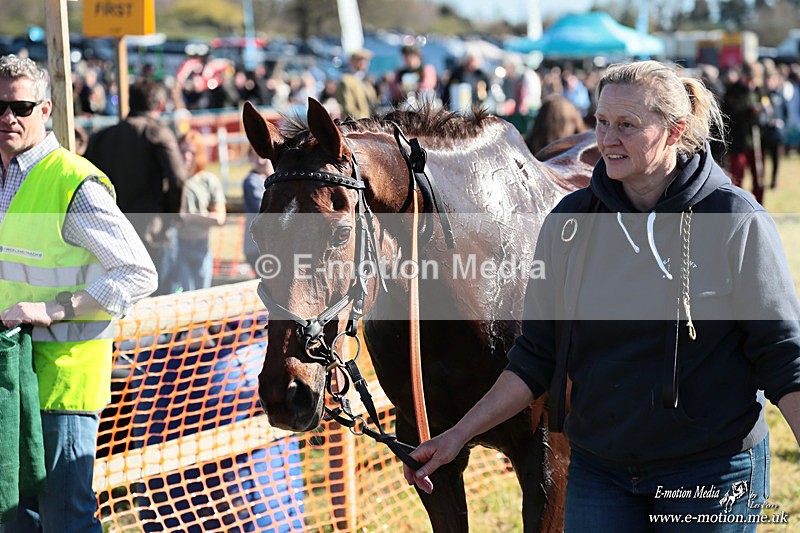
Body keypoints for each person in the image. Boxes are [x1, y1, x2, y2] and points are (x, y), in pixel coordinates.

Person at [404, 60, 800, 531]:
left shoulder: (735, 219)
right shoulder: (569, 223)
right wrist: (457, 436)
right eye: (602, 122)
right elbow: (534, 357)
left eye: (627, 125)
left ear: (675, 132)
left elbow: (783, 357)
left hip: (708, 470)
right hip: (599, 473)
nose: (607, 139)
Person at [0, 54, 157, 532]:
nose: (9, 116)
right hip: (13, 382)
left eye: (22, 107)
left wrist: (52, 308)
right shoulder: (5, 177)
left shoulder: (73, 182)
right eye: (0, 106)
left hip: (63, 383)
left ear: (46, 111)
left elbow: (137, 273)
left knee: (67, 521)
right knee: (15, 521)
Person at [84, 78, 186, 295]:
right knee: (162, 298)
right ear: (159, 105)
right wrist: (173, 215)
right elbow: (178, 177)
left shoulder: (101, 138)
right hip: (153, 231)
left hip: (110, 234)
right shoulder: (157, 133)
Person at [175, 129, 226, 291]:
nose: (187, 156)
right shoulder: (172, 180)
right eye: (182, 151)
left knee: (202, 295)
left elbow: (219, 218)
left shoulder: (208, 180)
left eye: (191, 152)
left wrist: (191, 218)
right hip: (178, 247)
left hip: (202, 246)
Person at [721, 64, 764, 204]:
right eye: (749, 78)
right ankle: (737, 205)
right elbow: (730, 113)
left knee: (758, 175)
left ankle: (759, 206)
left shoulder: (757, 90)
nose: (751, 82)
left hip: (755, 139)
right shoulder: (732, 91)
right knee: (737, 177)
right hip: (738, 142)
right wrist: (749, 110)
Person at [242, 148, 272, 272]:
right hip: (257, 248)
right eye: (255, 157)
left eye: (263, 156)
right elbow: (264, 210)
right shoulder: (251, 182)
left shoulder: (267, 179)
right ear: (250, 158)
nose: (260, 161)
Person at [390, 43, 438, 109]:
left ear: (418, 56)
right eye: (405, 56)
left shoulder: (427, 69)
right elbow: (394, 90)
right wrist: (400, 90)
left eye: (410, 56)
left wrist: (409, 88)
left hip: (423, 106)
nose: (408, 59)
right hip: (404, 106)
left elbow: (427, 85)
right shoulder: (400, 72)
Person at [336, 49, 378, 120]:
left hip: (369, 123)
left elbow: (373, 102)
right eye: (360, 60)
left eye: (365, 60)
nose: (364, 63)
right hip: (355, 125)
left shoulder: (366, 80)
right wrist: (364, 120)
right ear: (352, 62)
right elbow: (348, 107)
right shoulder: (346, 80)